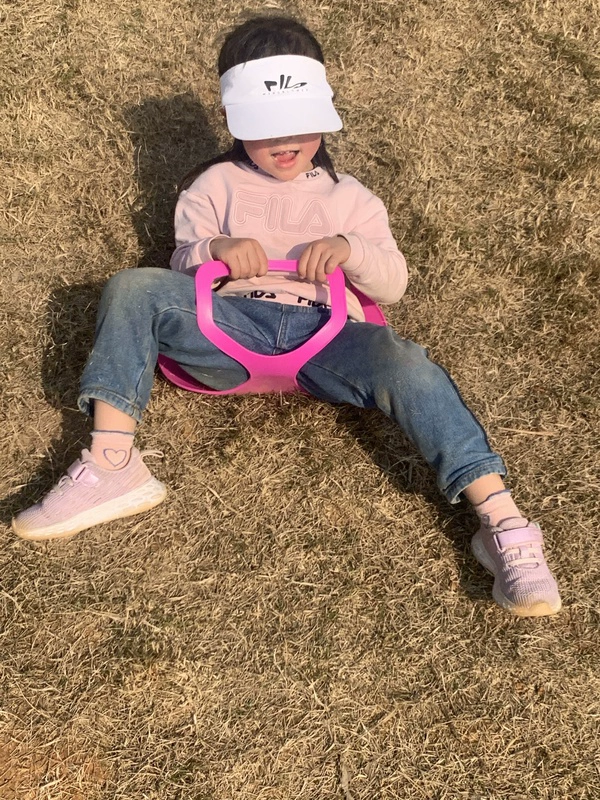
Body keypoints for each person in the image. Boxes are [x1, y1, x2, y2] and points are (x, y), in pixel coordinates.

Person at [12, 14, 561, 617]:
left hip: (328, 336)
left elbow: (394, 284)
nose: (285, 142)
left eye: (300, 124)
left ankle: (502, 521)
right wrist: (215, 251)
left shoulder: (351, 198)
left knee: (407, 364)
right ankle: (113, 461)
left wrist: (351, 250)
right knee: (133, 288)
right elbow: (182, 261)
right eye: (266, 129)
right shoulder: (213, 186)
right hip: (231, 327)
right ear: (233, 121)